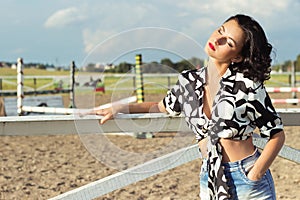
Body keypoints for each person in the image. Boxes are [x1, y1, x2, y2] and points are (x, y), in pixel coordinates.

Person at [91, 14, 285, 199]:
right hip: (209, 177)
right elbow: (161, 107)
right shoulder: (188, 81)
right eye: (220, 31)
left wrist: (255, 174)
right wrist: (119, 108)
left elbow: (276, 134)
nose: (217, 40)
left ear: (237, 57)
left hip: (247, 176)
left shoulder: (248, 86)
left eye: (229, 42)